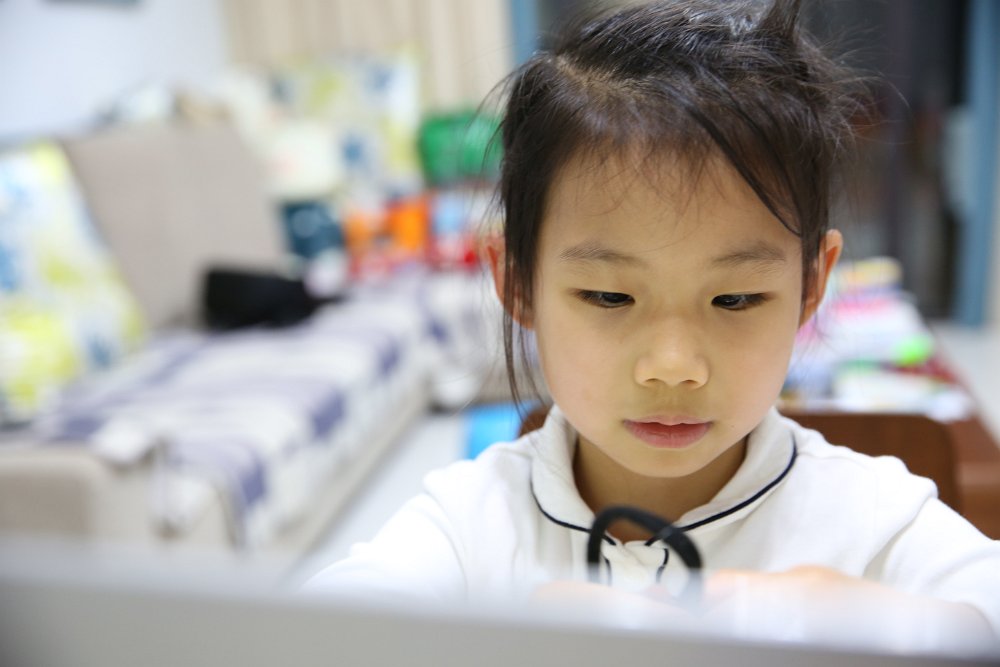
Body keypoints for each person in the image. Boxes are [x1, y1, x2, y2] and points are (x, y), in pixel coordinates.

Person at [309, 0, 999, 650]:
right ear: (516, 282)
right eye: (610, 296)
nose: (673, 366)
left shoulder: (875, 519)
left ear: (812, 285)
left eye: (735, 299)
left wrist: (891, 626)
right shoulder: (469, 525)